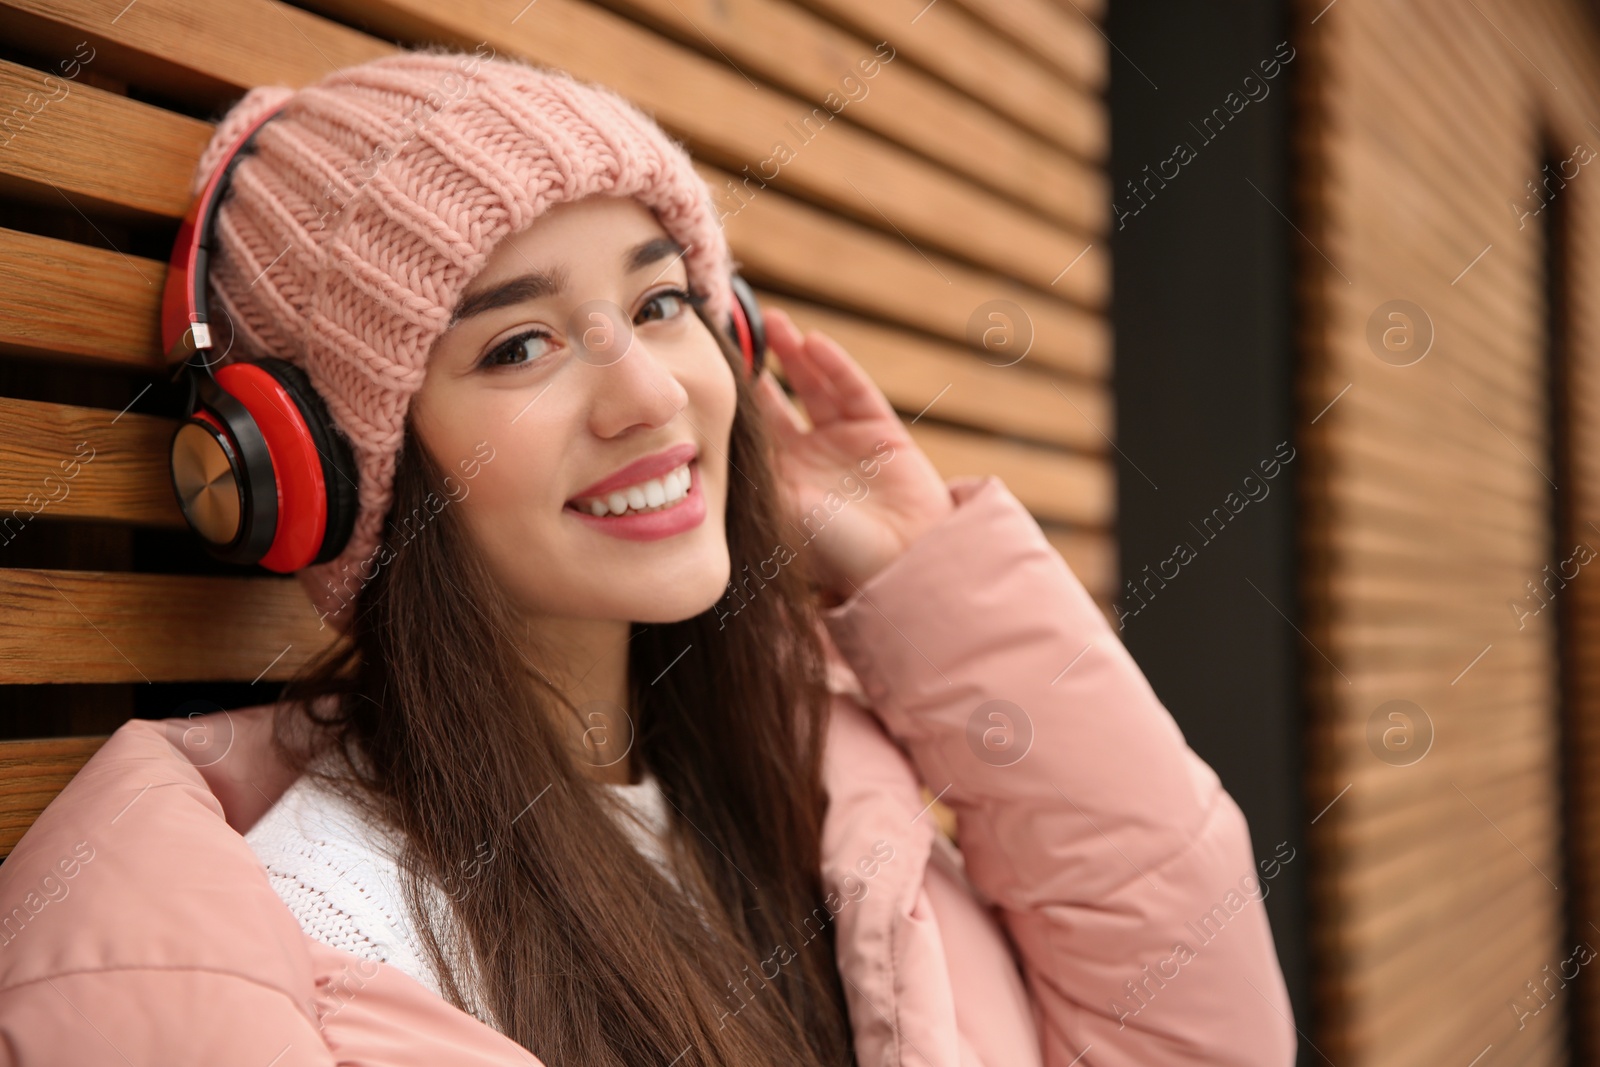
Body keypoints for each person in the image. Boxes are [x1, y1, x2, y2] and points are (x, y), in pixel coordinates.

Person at [0, 48, 1295, 1066]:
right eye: (520, 347)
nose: (651, 397)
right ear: (319, 473)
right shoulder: (319, 930)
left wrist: (929, 582)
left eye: (660, 304)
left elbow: (1200, 1035)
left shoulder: (822, 796)